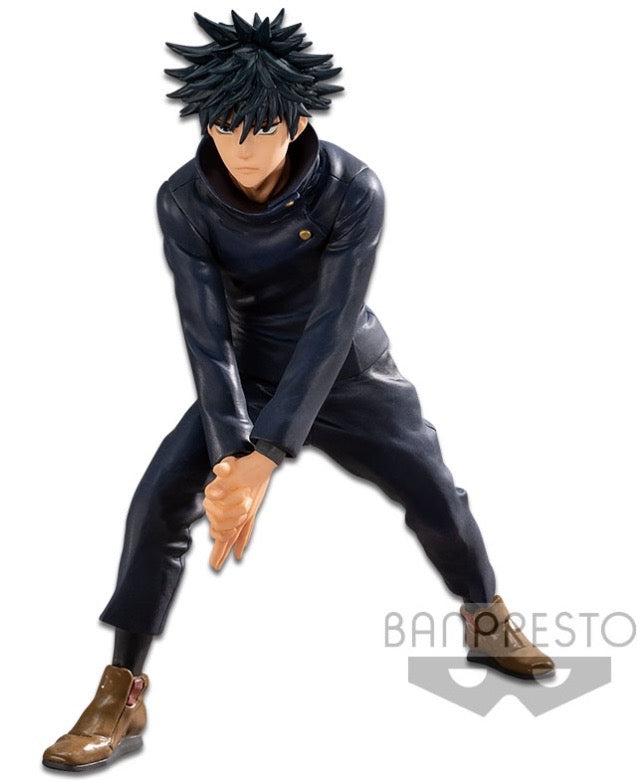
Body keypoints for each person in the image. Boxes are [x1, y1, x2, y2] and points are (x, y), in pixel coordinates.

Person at [42, 9, 554, 773]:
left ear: (297, 120)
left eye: (261, 127)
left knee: (434, 489)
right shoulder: (182, 199)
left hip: (348, 373)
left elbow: (330, 326)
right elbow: (205, 335)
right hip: (245, 374)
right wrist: (229, 459)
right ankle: (122, 687)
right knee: (156, 501)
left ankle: (486, 614)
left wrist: (265, 459)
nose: (242, 147)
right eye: (224, 126)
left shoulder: (354, 189)